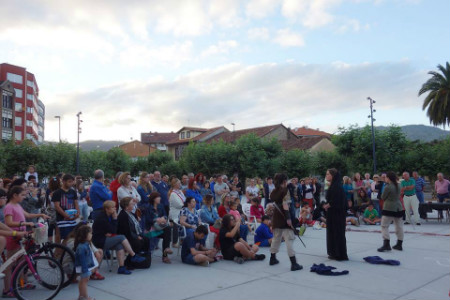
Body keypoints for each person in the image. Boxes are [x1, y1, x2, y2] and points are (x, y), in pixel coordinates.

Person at [3, 186, 49, 297]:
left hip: (21, 237)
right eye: (22, 195)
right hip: (13, 237)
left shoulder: (17, 205)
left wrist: (40, 215)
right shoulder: (9, 207)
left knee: (22, 262)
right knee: (9, 264)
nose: (24, 197)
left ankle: (21, 283)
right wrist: (24, 224)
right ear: (15, 195)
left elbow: (27, 215)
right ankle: (7, 290)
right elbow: (9, 222)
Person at [92, 200, 145, 275]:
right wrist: (115, 219)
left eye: (115, 207)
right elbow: (113, 230)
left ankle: (121, 268)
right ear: (107, 209)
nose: (115, 209)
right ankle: (133, 255)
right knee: (121, 237)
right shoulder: (102, 218)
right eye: (113, 207)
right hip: (99, 241)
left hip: (106, 238)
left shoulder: (107, 215)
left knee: (119, 245)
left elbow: (112, 231)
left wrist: (109, 232)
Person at [269, 173, 303, 271]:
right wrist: (289, 219)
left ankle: (272, 258)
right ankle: (294, 264)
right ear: (284, 181)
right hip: (285, 218)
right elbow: (285, 205)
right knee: (289, 240)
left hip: (276, 218)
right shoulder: (285, 190)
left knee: (276, 239)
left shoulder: (273, 191)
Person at [323, 168, 348, 261]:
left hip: (337, 214)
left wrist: (327, 205)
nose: (326, 176)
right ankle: (334, 252)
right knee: (334, 233)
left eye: (328, 174)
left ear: (332, 176)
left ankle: (338, 253)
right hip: (333, 213)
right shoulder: (334, 185)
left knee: (337, 233)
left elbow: (336, 200)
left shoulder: (336, 186)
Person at [378, 171, 405, 252]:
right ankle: (399, 244)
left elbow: (383, 197)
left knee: (384, 226)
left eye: (385, 177)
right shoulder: (399, 185)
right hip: (398, 207)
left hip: (389, 208)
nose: (385, 179)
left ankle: (386, 244)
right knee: (399, 226)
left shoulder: (388, 187)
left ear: (388, 178)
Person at [147, 192, 173, 264]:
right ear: (153, 199)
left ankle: (166, 252)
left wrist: (163, 218)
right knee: (167, 232)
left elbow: (165, 215)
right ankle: (165, 254)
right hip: (151, 229)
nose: (160, 198)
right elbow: (147, 220)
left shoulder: (161, 206)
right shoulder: (148, 207)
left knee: (167, 229)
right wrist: (156, 220)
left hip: (160, 227)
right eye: (158, 197)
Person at [53, 174, 80, 240]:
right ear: (64, 181)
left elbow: (76, 204)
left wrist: (77, 213)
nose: (71, 183)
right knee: (60, 238)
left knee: (69, 238)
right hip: (61, 219)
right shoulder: (57, 192)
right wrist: (66, 215)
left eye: (72, 182)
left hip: (72, 218)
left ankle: (66, 250)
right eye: (69, 181)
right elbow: (57, 206)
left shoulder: (73, 191)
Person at [74, 225, 97, 300]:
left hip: (86, 266)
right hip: (84, 267)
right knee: (84, 281)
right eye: (90, 233)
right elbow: (82, 259)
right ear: (85, 235)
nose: (92, 235)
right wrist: (85, 269)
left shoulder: (86, 244)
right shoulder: (82, 247)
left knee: (83, 280)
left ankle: (81, 296)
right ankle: (86, 297)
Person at [168, 178, 184, 247]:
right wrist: (185, 204)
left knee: (182, 226)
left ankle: (181, 240)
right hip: (175, 212)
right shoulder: (173, 194)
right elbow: (179, 205)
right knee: (176, 227)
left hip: (181, 211)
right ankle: (174, 242)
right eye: (179, 183)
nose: (180, 184)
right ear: (175, 184)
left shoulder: (180, 191)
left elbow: (184, 199)